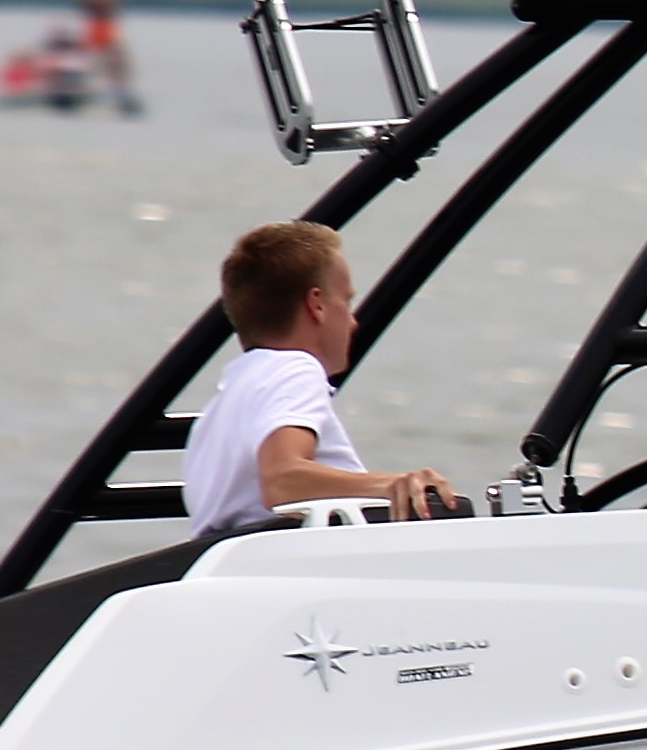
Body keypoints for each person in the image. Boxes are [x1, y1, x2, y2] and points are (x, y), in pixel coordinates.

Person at [181, 221, 457, 538]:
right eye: (347, 301)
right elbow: (283, 480)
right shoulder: (295, 368)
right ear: (317, 305)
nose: (353, 323)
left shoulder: (221, 409)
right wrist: (393, 485)